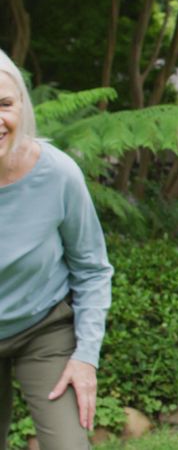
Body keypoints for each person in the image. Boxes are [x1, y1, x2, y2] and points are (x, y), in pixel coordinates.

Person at [0, 48, 113, 450]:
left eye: (5, 104)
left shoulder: (58, 173)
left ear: (22, 107)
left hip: (42, 329)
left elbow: (92, 269)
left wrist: (86, 357)